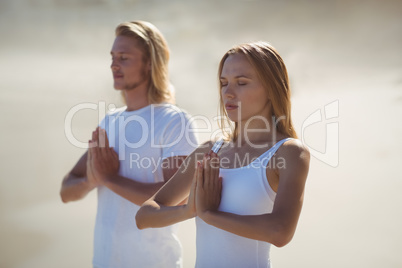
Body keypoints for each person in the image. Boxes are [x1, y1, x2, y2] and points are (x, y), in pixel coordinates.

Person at [135, 41, 310, 267]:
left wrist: (209, 215)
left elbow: (280, 232)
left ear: (271, 88)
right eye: (224, 83)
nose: (228, 93)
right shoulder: (209, 151)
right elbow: (144, 216)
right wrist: (189, 210)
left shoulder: (289, 153)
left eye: (242, 83)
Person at [60, 21, 198, 268]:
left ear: (149, 64)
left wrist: (110, 179)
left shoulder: (173, 120)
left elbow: (175, 200)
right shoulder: (110, 122)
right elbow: (66, 191)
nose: (113, 64)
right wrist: (91, 180)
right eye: (112, 57)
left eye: (124, 57)